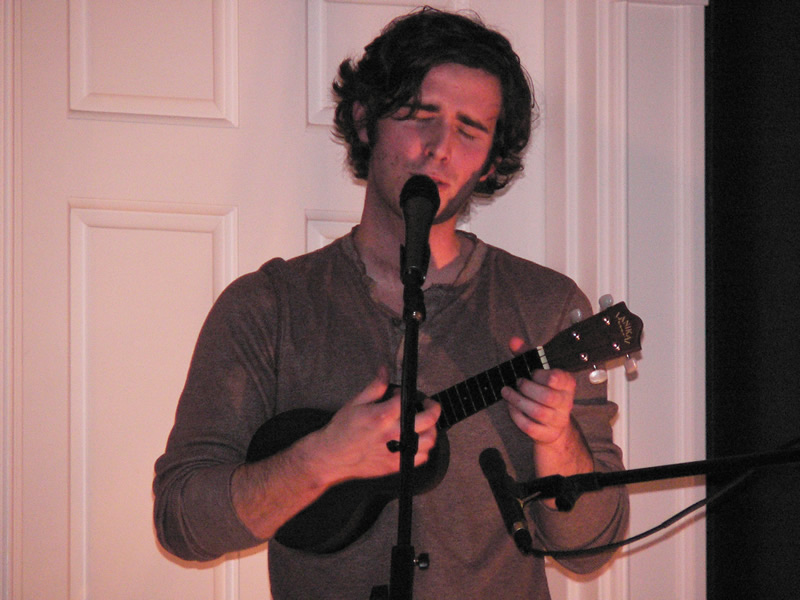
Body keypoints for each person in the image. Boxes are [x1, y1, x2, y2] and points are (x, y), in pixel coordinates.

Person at [153, 7, 629, 599]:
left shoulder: (548, 307)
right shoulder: (267, 307)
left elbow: (592, 549)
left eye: (470, 130)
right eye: (418, 115)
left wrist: (556, 438)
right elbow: (181, 521)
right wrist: (320, 460)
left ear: (489, 162)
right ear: (363, 120)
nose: (439, 149)